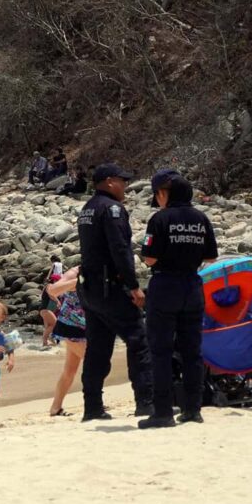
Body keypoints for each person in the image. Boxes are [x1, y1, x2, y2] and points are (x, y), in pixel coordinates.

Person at [138, 171, 218, 429]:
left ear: (164, 194)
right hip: (193, 285)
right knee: (192, 351)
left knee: (160, 351)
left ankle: (162, 411)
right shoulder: (201, 218)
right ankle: (193, 409)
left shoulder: (160, 219)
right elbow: (211, 257)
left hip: (165, 285)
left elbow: (149, 258)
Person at [76, 163, 154, 421]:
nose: (126, 186)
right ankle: (145, 402)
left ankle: (92, 407)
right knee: (138, 340)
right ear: (109, 182)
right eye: (122, 181)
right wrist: (133, 286)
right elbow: (120, 250)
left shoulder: (87, 208)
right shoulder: (112, 209)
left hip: (89, 288)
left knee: (97, 348)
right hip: (110, 287)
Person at [46, 268, 87, 417]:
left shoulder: (101, 270)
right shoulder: (75, 273)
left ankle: (55, 408)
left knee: (70, 371)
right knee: (93, 362)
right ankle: (95, 400)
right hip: (69, 326)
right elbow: (53, 290)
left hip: (87, 326)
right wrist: (77, 282)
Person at [38, 283, 58, 348]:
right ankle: (45, 339)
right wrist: (57, 301)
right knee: (55, 324)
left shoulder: (48, 286)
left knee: (48, 326)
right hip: (45, 309)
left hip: (45, 310)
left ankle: (45, 343)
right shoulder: (49, 285)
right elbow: (50, 294)